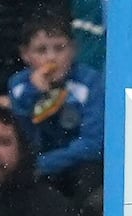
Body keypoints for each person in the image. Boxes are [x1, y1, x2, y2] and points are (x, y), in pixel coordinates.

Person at [6, 14, 104, 197]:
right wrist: (33, 92)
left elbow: (93, 143)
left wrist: (45, 164)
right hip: (35, 169)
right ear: (25, 54)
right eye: (41, 50)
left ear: (73, 49)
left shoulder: (90, 83)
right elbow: (21, 135)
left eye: (60, 48)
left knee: (89, 174)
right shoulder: (19, 85)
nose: (51, 58)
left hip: (75, 167)